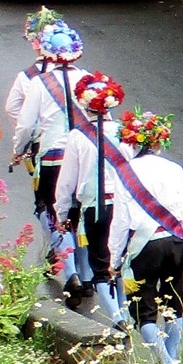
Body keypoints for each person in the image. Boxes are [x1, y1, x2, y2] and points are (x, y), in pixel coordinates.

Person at [107, 109, 183, 364]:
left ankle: (164, 359)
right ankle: (173, 360)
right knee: (175, 304)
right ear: (160, 141)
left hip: (143, 247)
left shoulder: (124, 172)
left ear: (133, 142)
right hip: (174, 242)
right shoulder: (175, 169)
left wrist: (115, 260)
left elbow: (120, 221)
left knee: (143, 311)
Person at [8, 19, 88, 307]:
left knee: (52, 212)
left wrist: (19, 150)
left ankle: (71, 273)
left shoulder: (40, 84)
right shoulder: (89, 80)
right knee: (80, 211)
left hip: (53, 157)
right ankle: (89, 273)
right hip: (84, 156)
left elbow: (26, 124)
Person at [55, 71, 129, 330]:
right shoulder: (124, 131)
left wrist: (62, 214)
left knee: (100, 264)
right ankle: (126, 313)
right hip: (124, 206)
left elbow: (66, 182)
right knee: (119, 260)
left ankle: (118, 319)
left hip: (96, 208)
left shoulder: (77, 136)